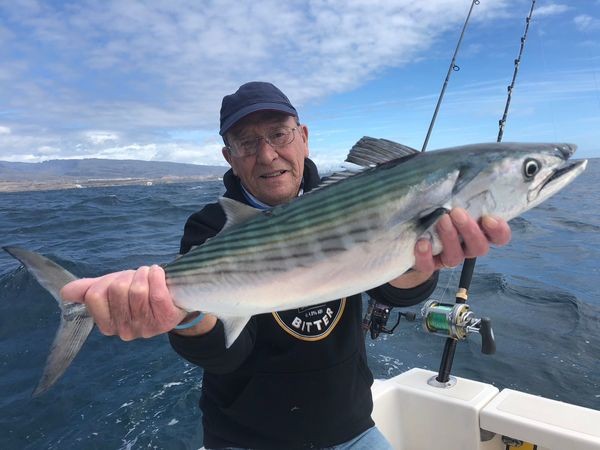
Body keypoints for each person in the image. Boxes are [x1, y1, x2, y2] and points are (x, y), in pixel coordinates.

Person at [61, 81, 512, 449]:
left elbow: (391, 288)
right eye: (246, 142)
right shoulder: (211, 227)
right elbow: (225, 353)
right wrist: (183, 315)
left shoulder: (352, 197)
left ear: (304, 137)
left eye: (279, 134)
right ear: (229, 157)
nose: (267, 154)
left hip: (350, 428)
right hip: (245, 439)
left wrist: (424, 257)